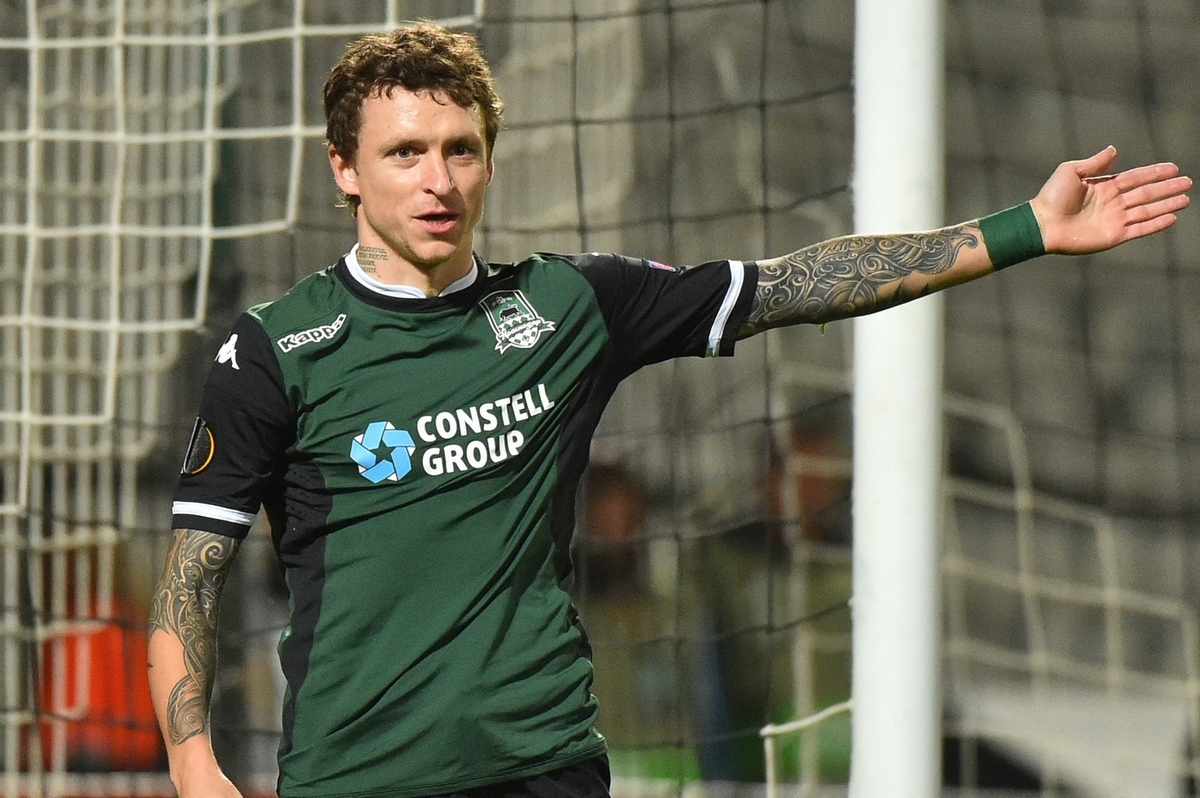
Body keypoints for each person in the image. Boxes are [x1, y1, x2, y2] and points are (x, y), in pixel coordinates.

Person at [146, 21, 1191, 798]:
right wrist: (195, 765)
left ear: (489, 159)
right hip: (359, 774)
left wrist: (1022, 230)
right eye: (405, 153)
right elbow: (192, 576)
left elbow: (795, 285)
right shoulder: (276, 350)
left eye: (460, 149)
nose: (439, 181)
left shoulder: (566, 304)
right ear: (344, 169)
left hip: (545, 764)